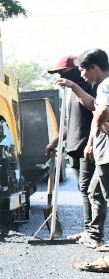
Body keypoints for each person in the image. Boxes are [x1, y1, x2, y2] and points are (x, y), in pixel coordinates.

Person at [44, 55, 101, 240]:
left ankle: (93, 233)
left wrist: (73, 86)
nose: (60, 75)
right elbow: (70, 124)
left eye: (63, 71)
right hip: (74, 147)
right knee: (83, 189)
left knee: (89, 190)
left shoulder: (88, 86)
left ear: (77, 70)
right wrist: (57, 141)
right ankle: (89, 230)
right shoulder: (69, 94)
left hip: (88, 146)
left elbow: (95, 109)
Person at [80, 49, 109, 250]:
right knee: (94, 192)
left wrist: (99, 124)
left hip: (107, 155)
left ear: (94, 67)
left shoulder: (105, 85)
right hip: (103, 153)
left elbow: (102, 110)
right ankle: (93, 235)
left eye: (83, 70)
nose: (83, 75)